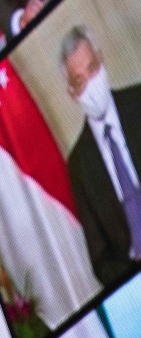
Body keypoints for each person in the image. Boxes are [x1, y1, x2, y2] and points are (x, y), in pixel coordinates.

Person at [62, 25, 141, 286]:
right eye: (80, 81)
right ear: (72, 93)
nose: (91, 85)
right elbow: (101, 260)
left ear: (102, 61)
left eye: (93, 69)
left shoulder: (138, 102)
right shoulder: (78, 164)